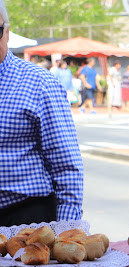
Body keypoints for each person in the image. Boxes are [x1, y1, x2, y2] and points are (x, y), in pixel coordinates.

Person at [0, 2, 84, 226]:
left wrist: (66, 231)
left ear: (7, 32)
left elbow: (66, 164)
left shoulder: (39, 82)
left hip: (24, 217)